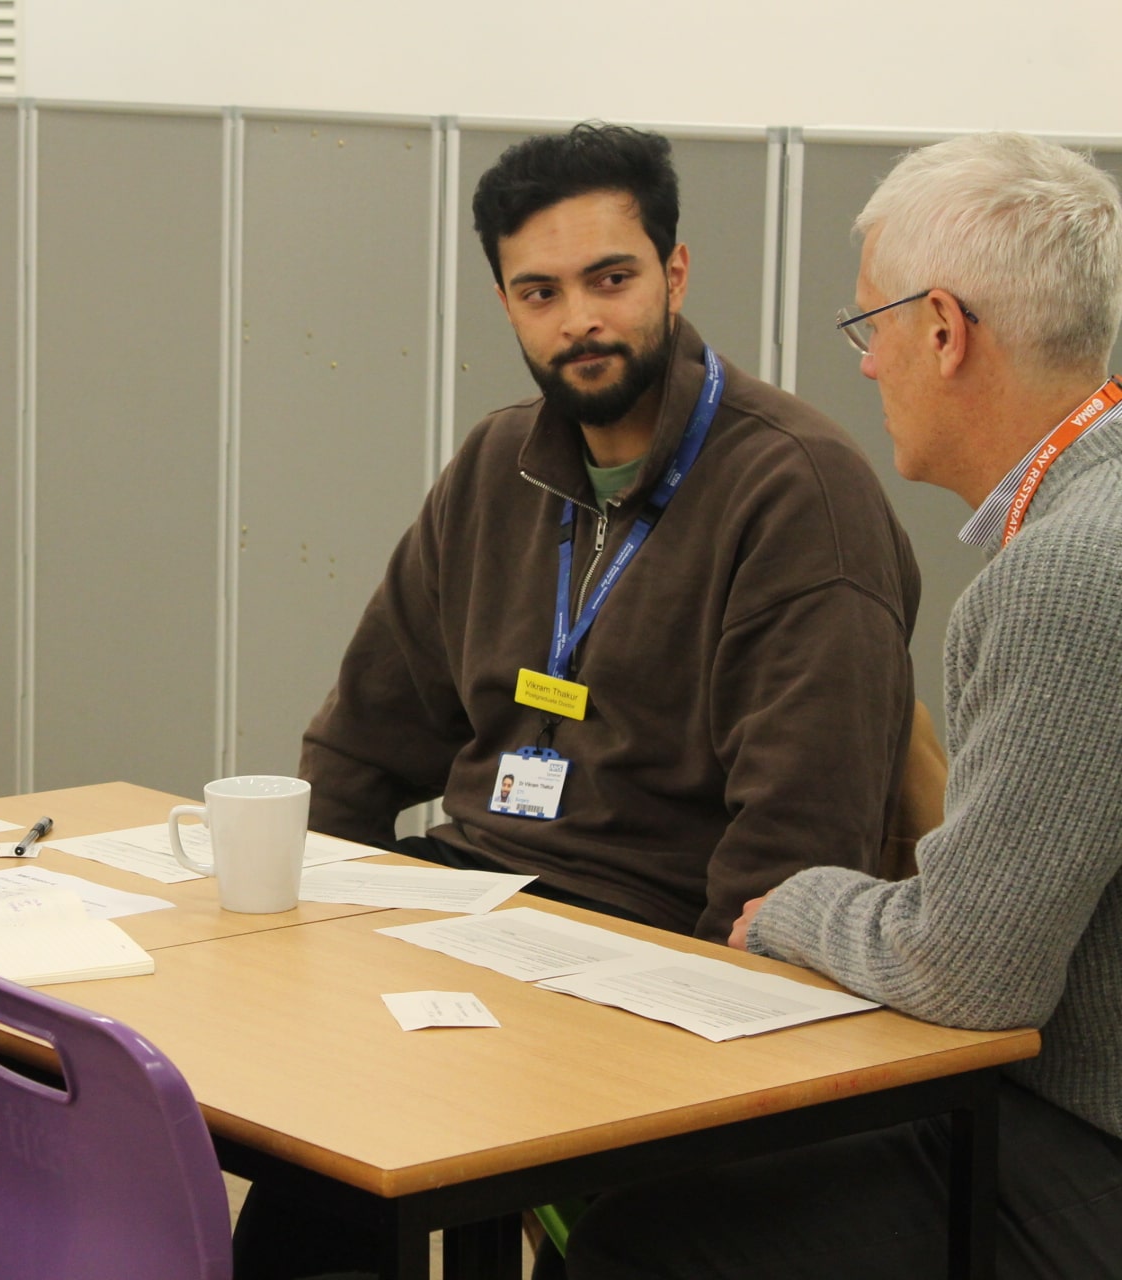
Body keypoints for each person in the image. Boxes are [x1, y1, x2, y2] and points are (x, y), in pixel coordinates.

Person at [560, 132, 1122, 1279]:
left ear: (945, 330)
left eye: (871, 327)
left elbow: (970, 971)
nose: (866, 367)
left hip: (1087, 1140)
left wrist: (795, 906)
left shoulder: (1070, 571)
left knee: (653, 1230)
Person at [300, 123, 921, 946]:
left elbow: (801, 838)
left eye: (611, 280)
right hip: (470, 890)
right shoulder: (496, 463)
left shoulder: (795, 489)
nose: (579, 320)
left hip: (656, 933)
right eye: (541, 293)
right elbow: (359, 747)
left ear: (675, 275)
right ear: (506, 304)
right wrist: (309, 924)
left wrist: (714, 996)